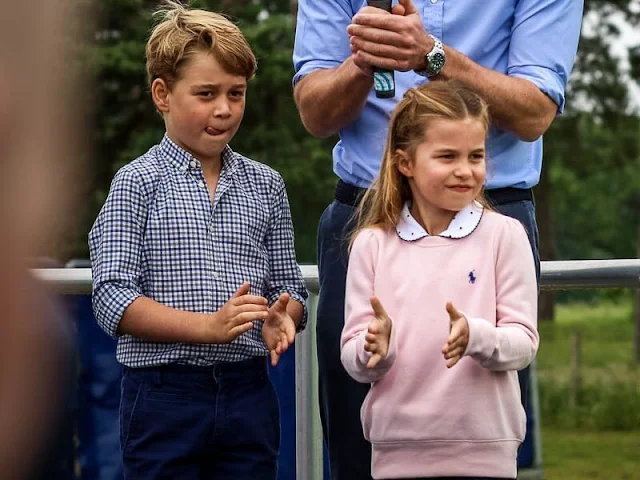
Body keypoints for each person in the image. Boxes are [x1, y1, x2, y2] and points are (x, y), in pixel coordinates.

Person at [292, 0, 582, 477]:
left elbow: (535, 113)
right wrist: (365, 59)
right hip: (365, 213)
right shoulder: (368, 245)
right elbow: (315, 113)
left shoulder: (503, 238)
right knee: (352, 442)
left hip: (493, 212)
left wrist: (432, 56)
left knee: (483, 412)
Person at [89, 2, 308, 478]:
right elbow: (111, 299)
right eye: (206, 93)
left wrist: (282, 316)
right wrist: (206, 327)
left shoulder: (266, 185)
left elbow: (292, 288)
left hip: (248, 390)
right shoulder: (136, 182)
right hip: (161, 395)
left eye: (236, 93)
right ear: (162, 94)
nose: (225, 109)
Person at [341, 80, 539, 480]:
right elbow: (353, 357)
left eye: (476, 156)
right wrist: (373, 346)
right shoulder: (371, 245)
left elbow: (524, 343)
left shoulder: (505, 236)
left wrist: (476, 337)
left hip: (488, 454)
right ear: (405, 163)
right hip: (396, 453)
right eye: (447, 156)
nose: (465, 170)